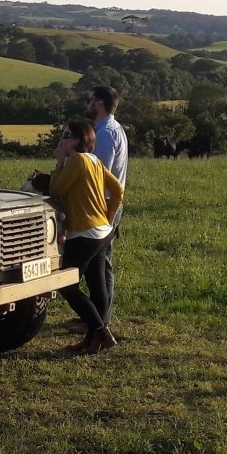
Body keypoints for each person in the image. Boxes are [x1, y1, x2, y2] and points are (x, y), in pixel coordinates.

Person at [47, 119, 123, 355]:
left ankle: (101, 332)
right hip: (103, 231)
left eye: (67, 135)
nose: (62, 139)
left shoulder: (77, 160)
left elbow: (56, 190)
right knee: (97, 286)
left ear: (79, 140)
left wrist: (60, 162)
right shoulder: (95, 160)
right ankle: (93, 340)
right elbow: (118, 189)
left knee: (66, 286)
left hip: (84, 234)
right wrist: (109, 215)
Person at [85, 85, 127, 327]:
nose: (87, 104)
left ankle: (100, 319)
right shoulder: (112, 128)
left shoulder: (105, 133)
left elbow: (100, 174)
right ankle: (98, 315)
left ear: (99, 104)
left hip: (105, 205)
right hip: (109, 203)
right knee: (100, 262)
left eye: (89, 100)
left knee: (102, 263)